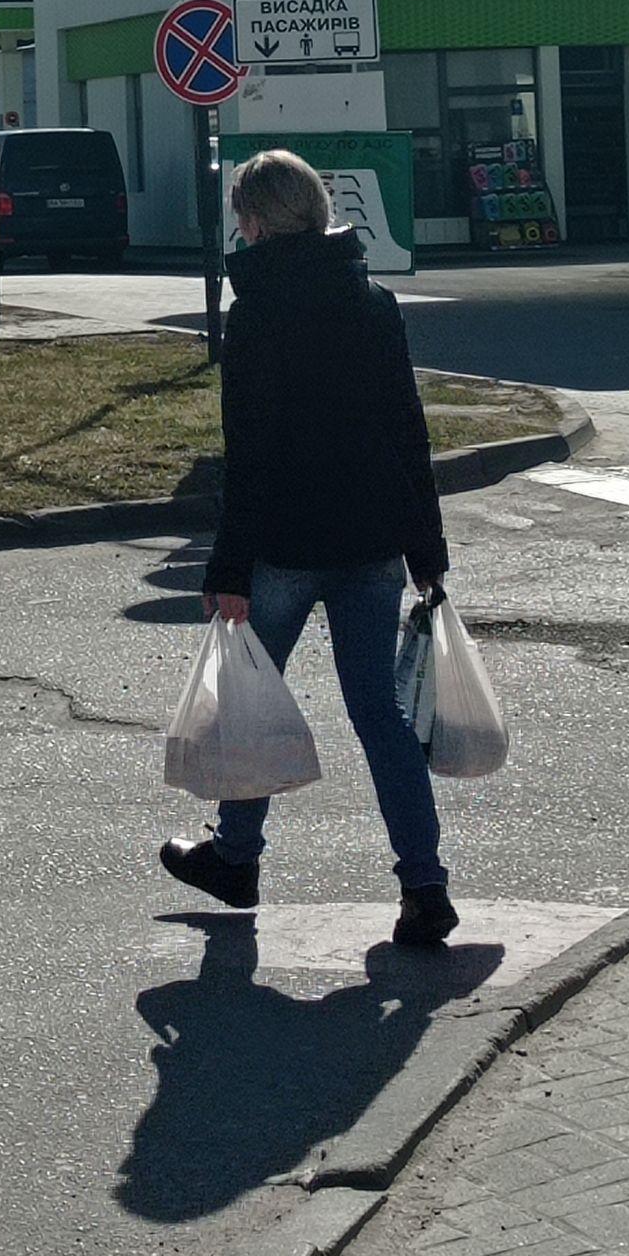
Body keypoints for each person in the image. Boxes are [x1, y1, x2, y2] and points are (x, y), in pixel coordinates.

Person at [160, 148, 458, 949]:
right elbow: (407, 432)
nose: (238, 232)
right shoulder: (373, 302)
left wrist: (227, 569)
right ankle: (424, 886)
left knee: (251, 706)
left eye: (239, 219)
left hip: (285, 548)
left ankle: (236, 857)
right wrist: (424, 548)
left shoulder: (256, 314)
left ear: (256, 222)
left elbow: (249, 454)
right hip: (370, 547)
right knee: (381, 715)